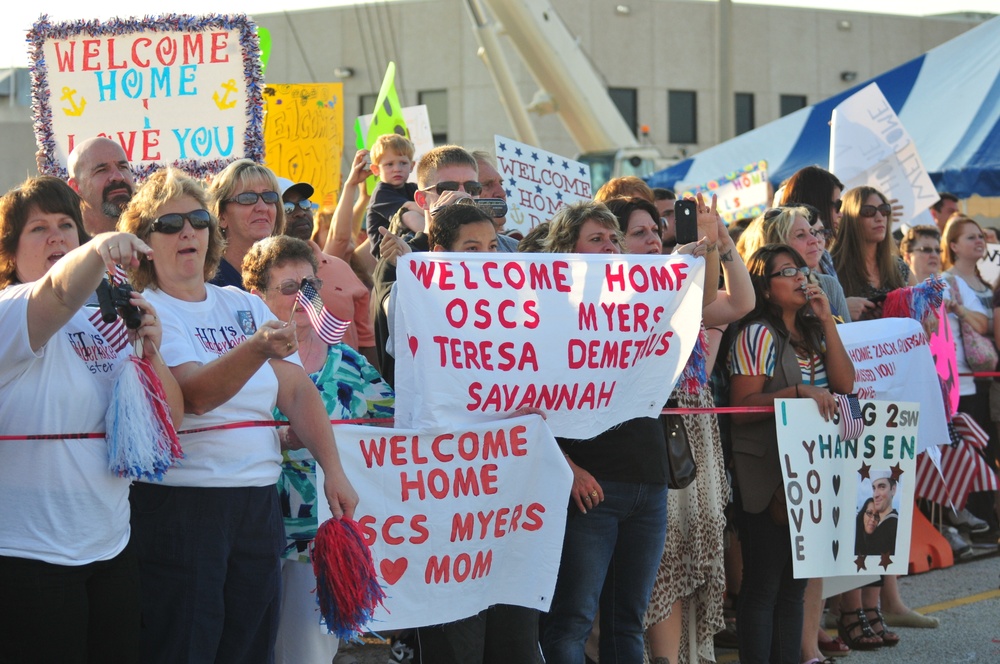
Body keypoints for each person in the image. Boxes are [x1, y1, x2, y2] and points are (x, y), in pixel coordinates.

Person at [119, 167, 358, 664]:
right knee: (186, 647)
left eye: (198, 219)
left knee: (250, 648)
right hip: (183, 509)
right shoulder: (151, 309)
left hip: (256, 504)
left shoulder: (243, 303)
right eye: (169, 224)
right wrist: (255, 349)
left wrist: (333, 468)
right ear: (144, 241)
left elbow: (296, 392)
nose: (187, 231)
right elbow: (194, 397)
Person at [0, 175, 181, 662]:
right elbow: (57, 294)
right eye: (38, 229)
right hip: (29, 555)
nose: (58, 236)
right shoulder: (10, 310)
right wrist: (101, 246)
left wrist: (151, 353)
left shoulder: (106, 316)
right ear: (10, 254)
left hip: (111, 546)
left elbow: (171, 419)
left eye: (66, 224)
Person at [609, 197, 754, 664]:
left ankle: (690, 655)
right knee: (664, 560)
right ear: (614, 244)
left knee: (696, 551)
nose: (653, 239)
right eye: (639, 233)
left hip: (694, 435)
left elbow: (740, 302)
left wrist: (723, 242)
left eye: (657, 230)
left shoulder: (679, 290)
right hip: (650, 443)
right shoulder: (607, 301)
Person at [242, 235, 394, 664]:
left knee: (307, 655)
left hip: (319, 540)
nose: (302, 300)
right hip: (250, 533)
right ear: (258, 296)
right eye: (289, 289)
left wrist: (499, 418)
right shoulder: (236, 362)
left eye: (309, 288)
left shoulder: (349, 365)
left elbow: (404, 431)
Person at [539, 200, 671, 663]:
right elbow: (527, 408)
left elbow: (728, 303)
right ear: (566, 249)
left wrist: (711, 250)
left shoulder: (640, 303)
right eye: (597, 239)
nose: (611, 247)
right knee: (571, 621)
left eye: (614, 239)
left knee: (626, 622)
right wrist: (568, 469)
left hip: (648, 484)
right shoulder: (544, 316)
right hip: (589, 489)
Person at [729, 244, 854, 664]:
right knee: (764, 583)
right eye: (787, 271)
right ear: (764, 288)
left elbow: (845, 383)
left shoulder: (813, 330)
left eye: (801, 268)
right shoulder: (757, 334)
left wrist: (826, 320)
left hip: (810, 472)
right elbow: (742, 407)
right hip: (768, 473)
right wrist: (797, 393)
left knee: (795, 584)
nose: (801, 276)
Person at [371, 144, 483, 385]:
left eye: (473, 189)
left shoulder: (489, 256)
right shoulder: (399, 258)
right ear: (422, 199)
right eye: (448, 189)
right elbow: (404, 318)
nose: (464, 197)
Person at [280, 177, 379, 369]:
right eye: (289, 208)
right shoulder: (260, 275)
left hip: (347, 390)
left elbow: (366, 340)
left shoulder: (340, 267)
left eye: (304, 205)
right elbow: (340, 238)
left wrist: (375, 389)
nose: (300, 213)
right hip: (289, 392)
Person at [739, 206, 851, 322]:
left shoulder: (829, 285)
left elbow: (847, 339)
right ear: (775, 245)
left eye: (812, 232)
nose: (814, 240)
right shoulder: (747, 301)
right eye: (800, 235)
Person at [831, 186, 915, 321]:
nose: (879, 217)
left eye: (884, 210)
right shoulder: (831, 267)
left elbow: (926, 314)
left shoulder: (899, 268)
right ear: (850, 218)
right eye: (868, 211)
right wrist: (841, 309)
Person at [208, 159, 286, 288]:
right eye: (247, 198)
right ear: (221, 216)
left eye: (269, 197)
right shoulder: (204, 283)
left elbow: (318, 308)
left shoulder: (296, 271)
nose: (262, 207)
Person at [777, 165, 843, 277]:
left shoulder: (824, 256)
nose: (840, 214)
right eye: (837, 205)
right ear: (819, 203)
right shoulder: (784, 263)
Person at [66, 136, 136, 235]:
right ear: (75, 187)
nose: (119, 176)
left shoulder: (155, 237)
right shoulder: (64, 244)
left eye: (122, 167)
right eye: (102, 170)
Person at [367, 134, 419, 258]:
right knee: (409, 214)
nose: (397, 169)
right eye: (389, 164)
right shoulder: (381, 193)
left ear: (412, 166)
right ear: (375, 169)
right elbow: (412, 207)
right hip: (388, 253)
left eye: (403, 163)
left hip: (409, 246)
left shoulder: (412, 189)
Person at [472, 150, 520, 251]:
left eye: (501, 184)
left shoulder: (517, 251)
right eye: (487, 185)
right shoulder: (438, 254)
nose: (502, 193)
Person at [867, 473, 898, 555]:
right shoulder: (875, 525)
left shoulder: (894, 525)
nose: (875, 495)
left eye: (882, 487)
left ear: (893, 490)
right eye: (874, 488)